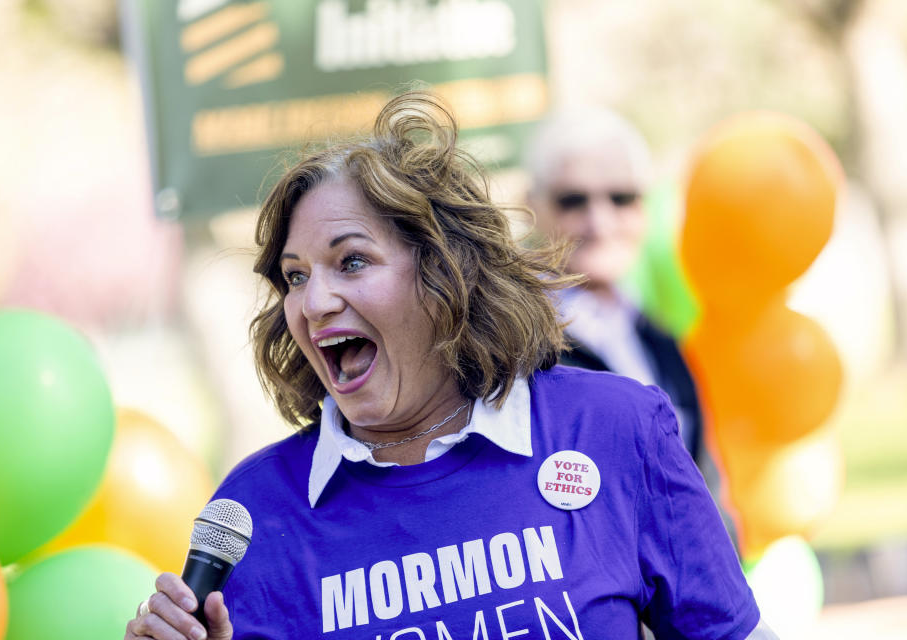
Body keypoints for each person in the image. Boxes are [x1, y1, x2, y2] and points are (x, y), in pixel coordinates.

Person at [125, 92, 775, 639]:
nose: (314, 302)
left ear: (444, 277)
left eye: (351, 261)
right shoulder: (258, 511)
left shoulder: (616, 429)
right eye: (295, 277)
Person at [524, 108, 704, 463]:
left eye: (621, 198)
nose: (600, 222)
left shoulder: (656, 333)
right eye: (573, 201)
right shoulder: (515, 347)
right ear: (532, 206)